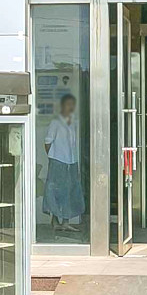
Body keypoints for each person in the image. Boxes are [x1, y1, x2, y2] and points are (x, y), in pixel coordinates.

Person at [42, 94, 84, 236]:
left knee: (70, 191)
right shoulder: (55, 122)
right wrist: (52, 157)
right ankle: (55, 220)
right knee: (55, 190)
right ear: (62, 106)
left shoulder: (74, 122)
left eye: (73, 104)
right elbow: (48, 142)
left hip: (71, 161)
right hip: (58, 161)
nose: (70, 107)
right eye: (68, 104)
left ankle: (66, 222)